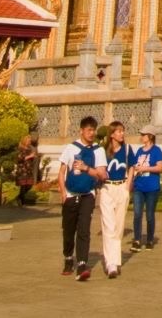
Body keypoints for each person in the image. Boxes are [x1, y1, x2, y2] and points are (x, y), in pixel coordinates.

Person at [58, 116, 107, 282]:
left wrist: (87, 169)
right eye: (89, 130)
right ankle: (68, 258)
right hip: (71, 194)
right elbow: (62, 171)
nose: (92, 133)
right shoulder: (71, 148)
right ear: (81, 131)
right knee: (68, 230)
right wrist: (63, 193)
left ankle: (82, 263)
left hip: (88, 194)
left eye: (94, 130)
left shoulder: (98, 151)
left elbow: (101, 174)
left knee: (84, 229)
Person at [98, 121, 135, 279]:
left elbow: (132, 166)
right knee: (109, 226)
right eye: (119, 131)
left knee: (118, 227)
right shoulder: (103, 151)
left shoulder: (127, 150)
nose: (122, 134)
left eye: (123, 131)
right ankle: (111, 263)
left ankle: (115, 258)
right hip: (107, 188)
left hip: (122, 188)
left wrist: (128, 184)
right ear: (112, 134)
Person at [130, 127, 162, 252]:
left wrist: (146, 169)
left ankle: (150, 239)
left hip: (151, 187)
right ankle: (137, 239)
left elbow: (160, 167)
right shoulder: (139, 150)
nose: (142, 136)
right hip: (139, 186)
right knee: (137, 214)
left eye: (144, 134)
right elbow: (134, 165)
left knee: (149, 215)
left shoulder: (156, 151)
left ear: (150, 136)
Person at [13, 134, 40, 206]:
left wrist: (34, 156)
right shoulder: (20, 149)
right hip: (22, 170)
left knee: (29, 185)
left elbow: (30, 157)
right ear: (25, 141)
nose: (29, 142)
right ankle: (22, 201)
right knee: (23, 186)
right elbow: (20, 158)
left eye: (30, 141)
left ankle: (19, 198)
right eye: (28, 141)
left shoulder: (29, 148)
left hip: (28, 169)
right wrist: (30, 156)